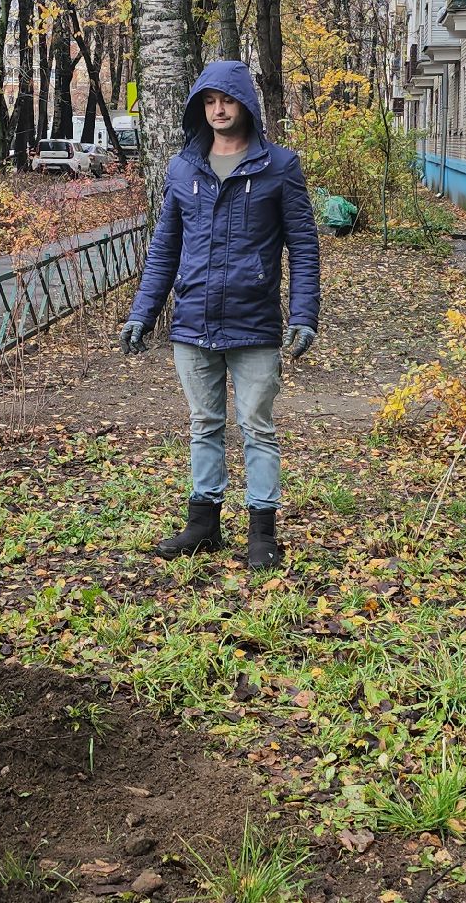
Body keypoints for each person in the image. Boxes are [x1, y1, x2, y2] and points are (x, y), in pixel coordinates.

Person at [120, 60, 321, 571]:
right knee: (204, 423)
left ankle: (262, 531)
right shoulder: (183, 169)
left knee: (257, 425)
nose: (218, 110)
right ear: (198, 107)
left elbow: (303, 246)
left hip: (254, 322)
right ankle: (204, 522)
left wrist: (304, 314)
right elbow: (164, 248)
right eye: (208, 102)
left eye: (226, 100)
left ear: (245, 104)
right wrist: (144, 311)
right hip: (192, 321)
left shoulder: (280, 166)